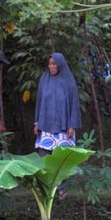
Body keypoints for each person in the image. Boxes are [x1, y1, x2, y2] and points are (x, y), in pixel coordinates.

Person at [34, 52, 81, 198]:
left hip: (64, 127)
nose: (51, 67)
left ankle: (61, 189)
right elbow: (39, 101)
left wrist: (72, 125)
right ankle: (45, 190)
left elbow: (74, 104)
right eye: (49, 64)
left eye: (54, 64)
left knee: (62, 160)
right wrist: (36, 123)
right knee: (43, 157)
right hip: (45, 127)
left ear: (60, 65)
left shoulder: (68, 81)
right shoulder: (44, 80)